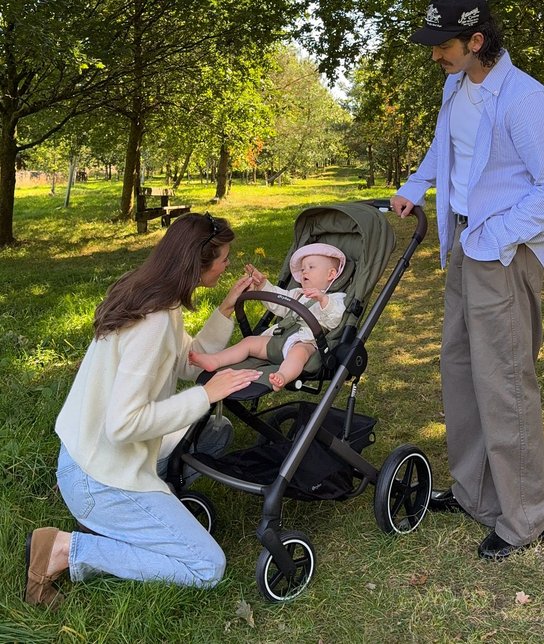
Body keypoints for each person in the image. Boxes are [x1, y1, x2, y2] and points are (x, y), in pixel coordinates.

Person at [391, 0, 544, 561]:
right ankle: (474, 493)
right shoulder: (455, 87)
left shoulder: (527, 100)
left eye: (442, 45)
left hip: (502, 249)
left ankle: (525, 520)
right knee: (461, 367)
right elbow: (445, 148)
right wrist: (414, 186)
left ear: (476, 40)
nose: (434, 56)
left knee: (504, 379)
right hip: (465, 243)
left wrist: (493, 237)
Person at [24, 212, 263, 608]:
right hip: (100, 478)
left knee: (215, 434)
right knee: (206, 566)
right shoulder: (154, 322)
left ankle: (120, 524)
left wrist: (224, 310)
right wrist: (205, 397)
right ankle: (65, 550)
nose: (227, 265)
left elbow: (189, 363)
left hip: (88, 458)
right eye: (224, 258)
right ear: (197, 261)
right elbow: (124, 424)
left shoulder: (157, 302)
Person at [190, 243, 347, 392]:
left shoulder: (335, 298)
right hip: (279, 339)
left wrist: (322, 300)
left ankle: (283, 375)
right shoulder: (298, 294)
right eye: (303, 268)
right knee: (249, 342)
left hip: (305, 342)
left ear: (330, 274)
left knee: (298, 354)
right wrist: (263, 285)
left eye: (311, 267)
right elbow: (280, 302)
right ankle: (215, 360)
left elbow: (335, 319)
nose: (304, 271)